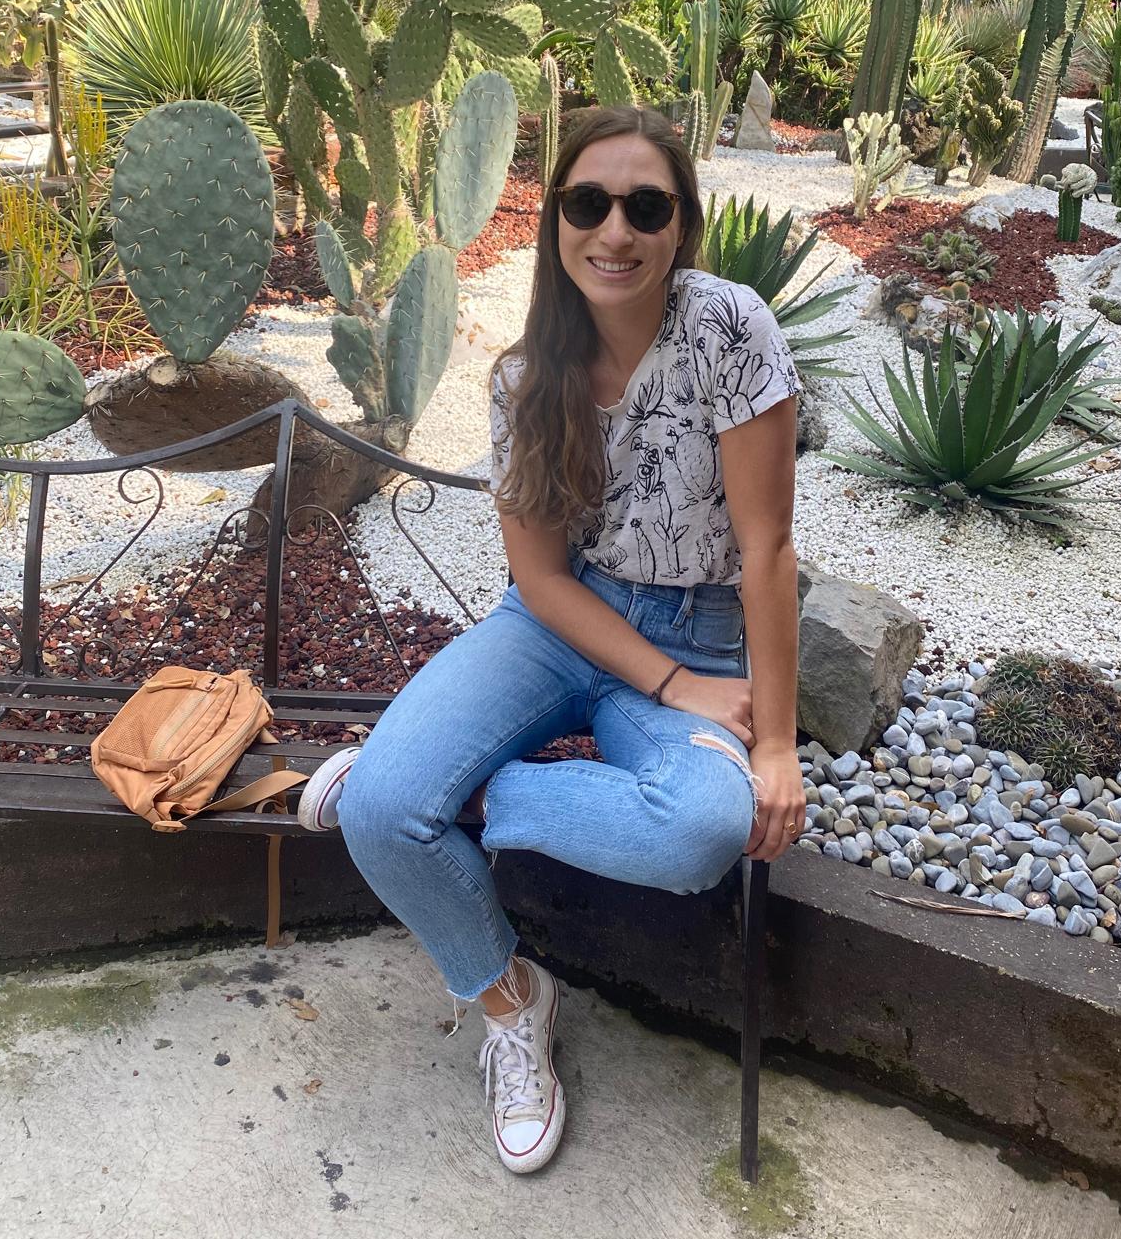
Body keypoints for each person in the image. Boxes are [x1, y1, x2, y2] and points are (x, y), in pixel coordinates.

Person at [296, 103, 806, 1175]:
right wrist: (665, 681)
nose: (613, 231)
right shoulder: (526, 379)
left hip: (709, 633)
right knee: (384, 811)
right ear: (557, 221)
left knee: (698, 832)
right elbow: (537, 577)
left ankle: (472, 797)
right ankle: (512, 1003)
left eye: (644, 206)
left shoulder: (730, 330)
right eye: (587, 203)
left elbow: (767, 551)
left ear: (680, 225)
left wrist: (774, 745)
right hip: (563, 623)